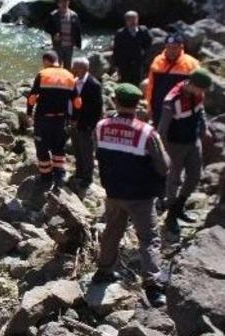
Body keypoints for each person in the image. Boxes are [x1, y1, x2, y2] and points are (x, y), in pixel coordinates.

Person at [93, 83, 170, 307]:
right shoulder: (147, 132)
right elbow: (163, 167)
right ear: (138, 105)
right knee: (149, 239)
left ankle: (104, 270)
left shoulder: (101, 126)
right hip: (141, 196)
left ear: (115, 101)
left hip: (113, 191)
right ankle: (154, 288)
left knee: (112, 230)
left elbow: (101, 154)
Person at [158, 68, 214, 236]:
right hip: (175, 145)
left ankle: (178, 208)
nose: (203, 93)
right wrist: (163, 151)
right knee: (174, 180)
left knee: (194, 176)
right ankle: (170, 217)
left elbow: (200, 110)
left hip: (193, 140)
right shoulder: (172, 100)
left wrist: (205, 128)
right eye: (202, 89)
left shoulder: (197, 94)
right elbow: (162, 129)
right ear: (192, 85)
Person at [27, 50, 82, 190]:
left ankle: (46, 177)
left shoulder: (43, 74)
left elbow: (32, 98)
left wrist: (28, 113)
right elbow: (77, 102)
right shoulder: (69, 76)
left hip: (43, 119)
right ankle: (59, 175)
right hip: (61, 120)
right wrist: (74, 119)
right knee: (59, 147)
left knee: (42, 148)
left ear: (46, 61)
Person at [146, 34, 200, 125]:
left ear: (181, 47)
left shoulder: (192, 64)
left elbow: (198, 91)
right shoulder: (157, 60)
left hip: (182, 111)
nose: (171, 51)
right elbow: (151, 86)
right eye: (169, 47)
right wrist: (149, 107)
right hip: (159, 108)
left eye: (175, 48)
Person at [69, 57, 103, 193]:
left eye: (75, 67)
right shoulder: (74, 82)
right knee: (77, 149)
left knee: (87, 151)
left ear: (84, 68)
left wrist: (91, 125)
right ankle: (79, 171)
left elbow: (98, 108)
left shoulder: (93, 84)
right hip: (73, 122)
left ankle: (87, 177)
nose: (73, 70)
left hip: (86, 124)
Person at [111, 11, 152, 86]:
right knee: (125, 83)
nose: (133, 22)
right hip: (124, 64)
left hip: (138, 63)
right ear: (126, 21)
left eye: (135, 19)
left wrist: (145, 57)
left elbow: (149, 44)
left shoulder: (143, 30)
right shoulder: (120, 33)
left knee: (138, 82)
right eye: (130, 20)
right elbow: (116, 50)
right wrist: (116, 65)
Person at [44, 0, 82, 69]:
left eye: (66, 1)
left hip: (69, 46)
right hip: (58, 45)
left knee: (68, 67)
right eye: (62, 2)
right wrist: (54, 33)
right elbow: (46, 27)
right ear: (58, 3)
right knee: (57, 66)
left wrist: (78, 44)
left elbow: (78, 30)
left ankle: (67, 79)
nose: (64, 4)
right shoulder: (53, 15)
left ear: (69, 2)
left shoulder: (73, 15)